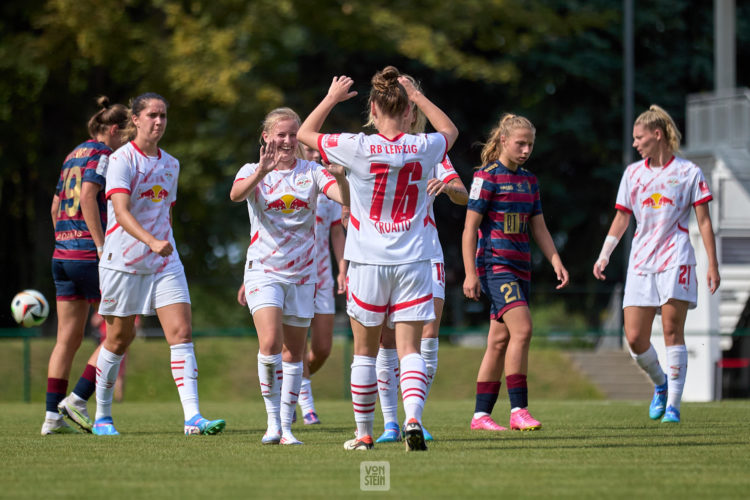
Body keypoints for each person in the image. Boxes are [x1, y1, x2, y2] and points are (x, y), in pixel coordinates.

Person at [298, 66, 459, 451]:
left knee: (366, 351)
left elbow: (305, 134)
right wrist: (419, 96)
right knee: (409, 350)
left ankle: (364, 433)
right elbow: (451, 132)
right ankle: (414, 420)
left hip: (368, 259)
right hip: (415, 258)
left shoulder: (357, 145)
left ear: (372, 107)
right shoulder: (424, 146)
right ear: (407, 111)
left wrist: (332, 98)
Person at [93, 92, 225, 436]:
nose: (159, 121)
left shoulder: (172, 164)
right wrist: (151, 241)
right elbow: (120, 212)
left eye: (163, 115)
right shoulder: (122, 159)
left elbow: (165, 211)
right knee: (119, 339)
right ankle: (102, 416)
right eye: (152, 114)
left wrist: (161, 244)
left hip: (165, 263)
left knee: (181, 333)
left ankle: (193, 418)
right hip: (122, 262)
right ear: (135, 119)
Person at [593, 104, 719, 424]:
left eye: (639, 137)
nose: (635, 143)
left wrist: (712, 264)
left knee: (671, 330)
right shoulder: (633, 174)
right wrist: (605, 253)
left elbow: (703, 222)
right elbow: (622, 216)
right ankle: (661, 384)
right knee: (635, 337)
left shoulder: (689, 172)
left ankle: (674, 407)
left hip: (676, 257)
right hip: (640, 260)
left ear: (657, 135)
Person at [230, 108, 348, 445]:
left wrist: (339, 177)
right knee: (269, 343)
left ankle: (287, 427)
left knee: (294, 354)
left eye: (293, 134)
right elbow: (236, 195)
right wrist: (261, 173)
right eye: (280, 134)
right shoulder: (252, 171)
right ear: (266, 137)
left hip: (303, 275)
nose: (287, 141)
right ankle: (272, 422)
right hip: (263, 270)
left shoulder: (312, 171)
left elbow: (344, 199)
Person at [373, 77, 468, 444]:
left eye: (410, 107)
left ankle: (415, 417)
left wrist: (448, 188)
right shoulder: (371, 149)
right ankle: (390, 423)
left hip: (426, 254)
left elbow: (463, 193)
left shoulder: (431, 151)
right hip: (382, 255)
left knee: (427, 335)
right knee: (385, 339)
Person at [462, 113, 569, 432]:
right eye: (520, 143)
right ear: (504, 141)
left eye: (530, 145)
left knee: (499, 340)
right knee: (522, 330)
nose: (525, 150)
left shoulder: (529, 181)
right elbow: (469, 229)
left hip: (522, 269)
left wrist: (556, 261)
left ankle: (481, 416)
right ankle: (518, 409)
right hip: (495, 266)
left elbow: (540, 227)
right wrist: (471, 273)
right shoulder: (486, 177)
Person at [43, 96, 129, 435]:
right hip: (88, 255)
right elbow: (88, 195)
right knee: (123, 331)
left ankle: (51, 418)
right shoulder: (104, 155)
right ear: (113, 129)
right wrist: (100, 244)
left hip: (62, 254)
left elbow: (55, 208)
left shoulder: (71, 156)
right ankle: (78, 398)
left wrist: (64, 242)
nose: (128, 141)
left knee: (67, 338)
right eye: (127, 133)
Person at [294, 144, 347, 425]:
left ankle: (289, 388)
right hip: (292, 273)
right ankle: (305, 404)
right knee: (296, 344)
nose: (316, 156)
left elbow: (336, 231)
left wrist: (342, 267)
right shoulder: (289, 182)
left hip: (323, 276)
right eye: (309, 151)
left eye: (318, 152)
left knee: (323, 348)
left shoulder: (328, 189)